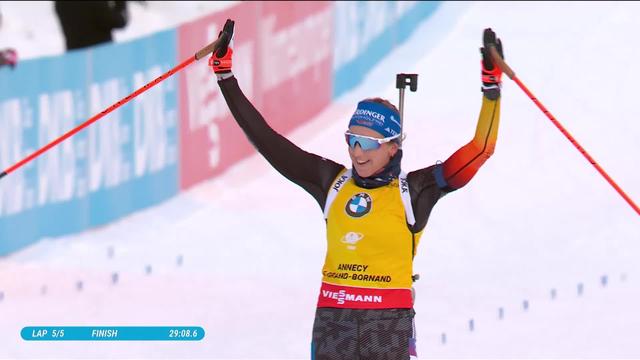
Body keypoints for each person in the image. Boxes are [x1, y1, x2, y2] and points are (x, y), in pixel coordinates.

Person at [210, 20, 503, 359]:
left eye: (368, 143)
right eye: (352, 140)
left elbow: (481, 149)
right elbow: (267, 140)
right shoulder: (331, 183)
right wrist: (225, 77)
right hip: (334, 321)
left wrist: (491, 91)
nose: (357, 152)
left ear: (393, 147)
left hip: (387, 325)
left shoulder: (415, 191)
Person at [54, 1, 128, 51]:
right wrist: (120, 4)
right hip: (100, 57)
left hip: (75, 60)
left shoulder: (59, 3)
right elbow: (120, 22)